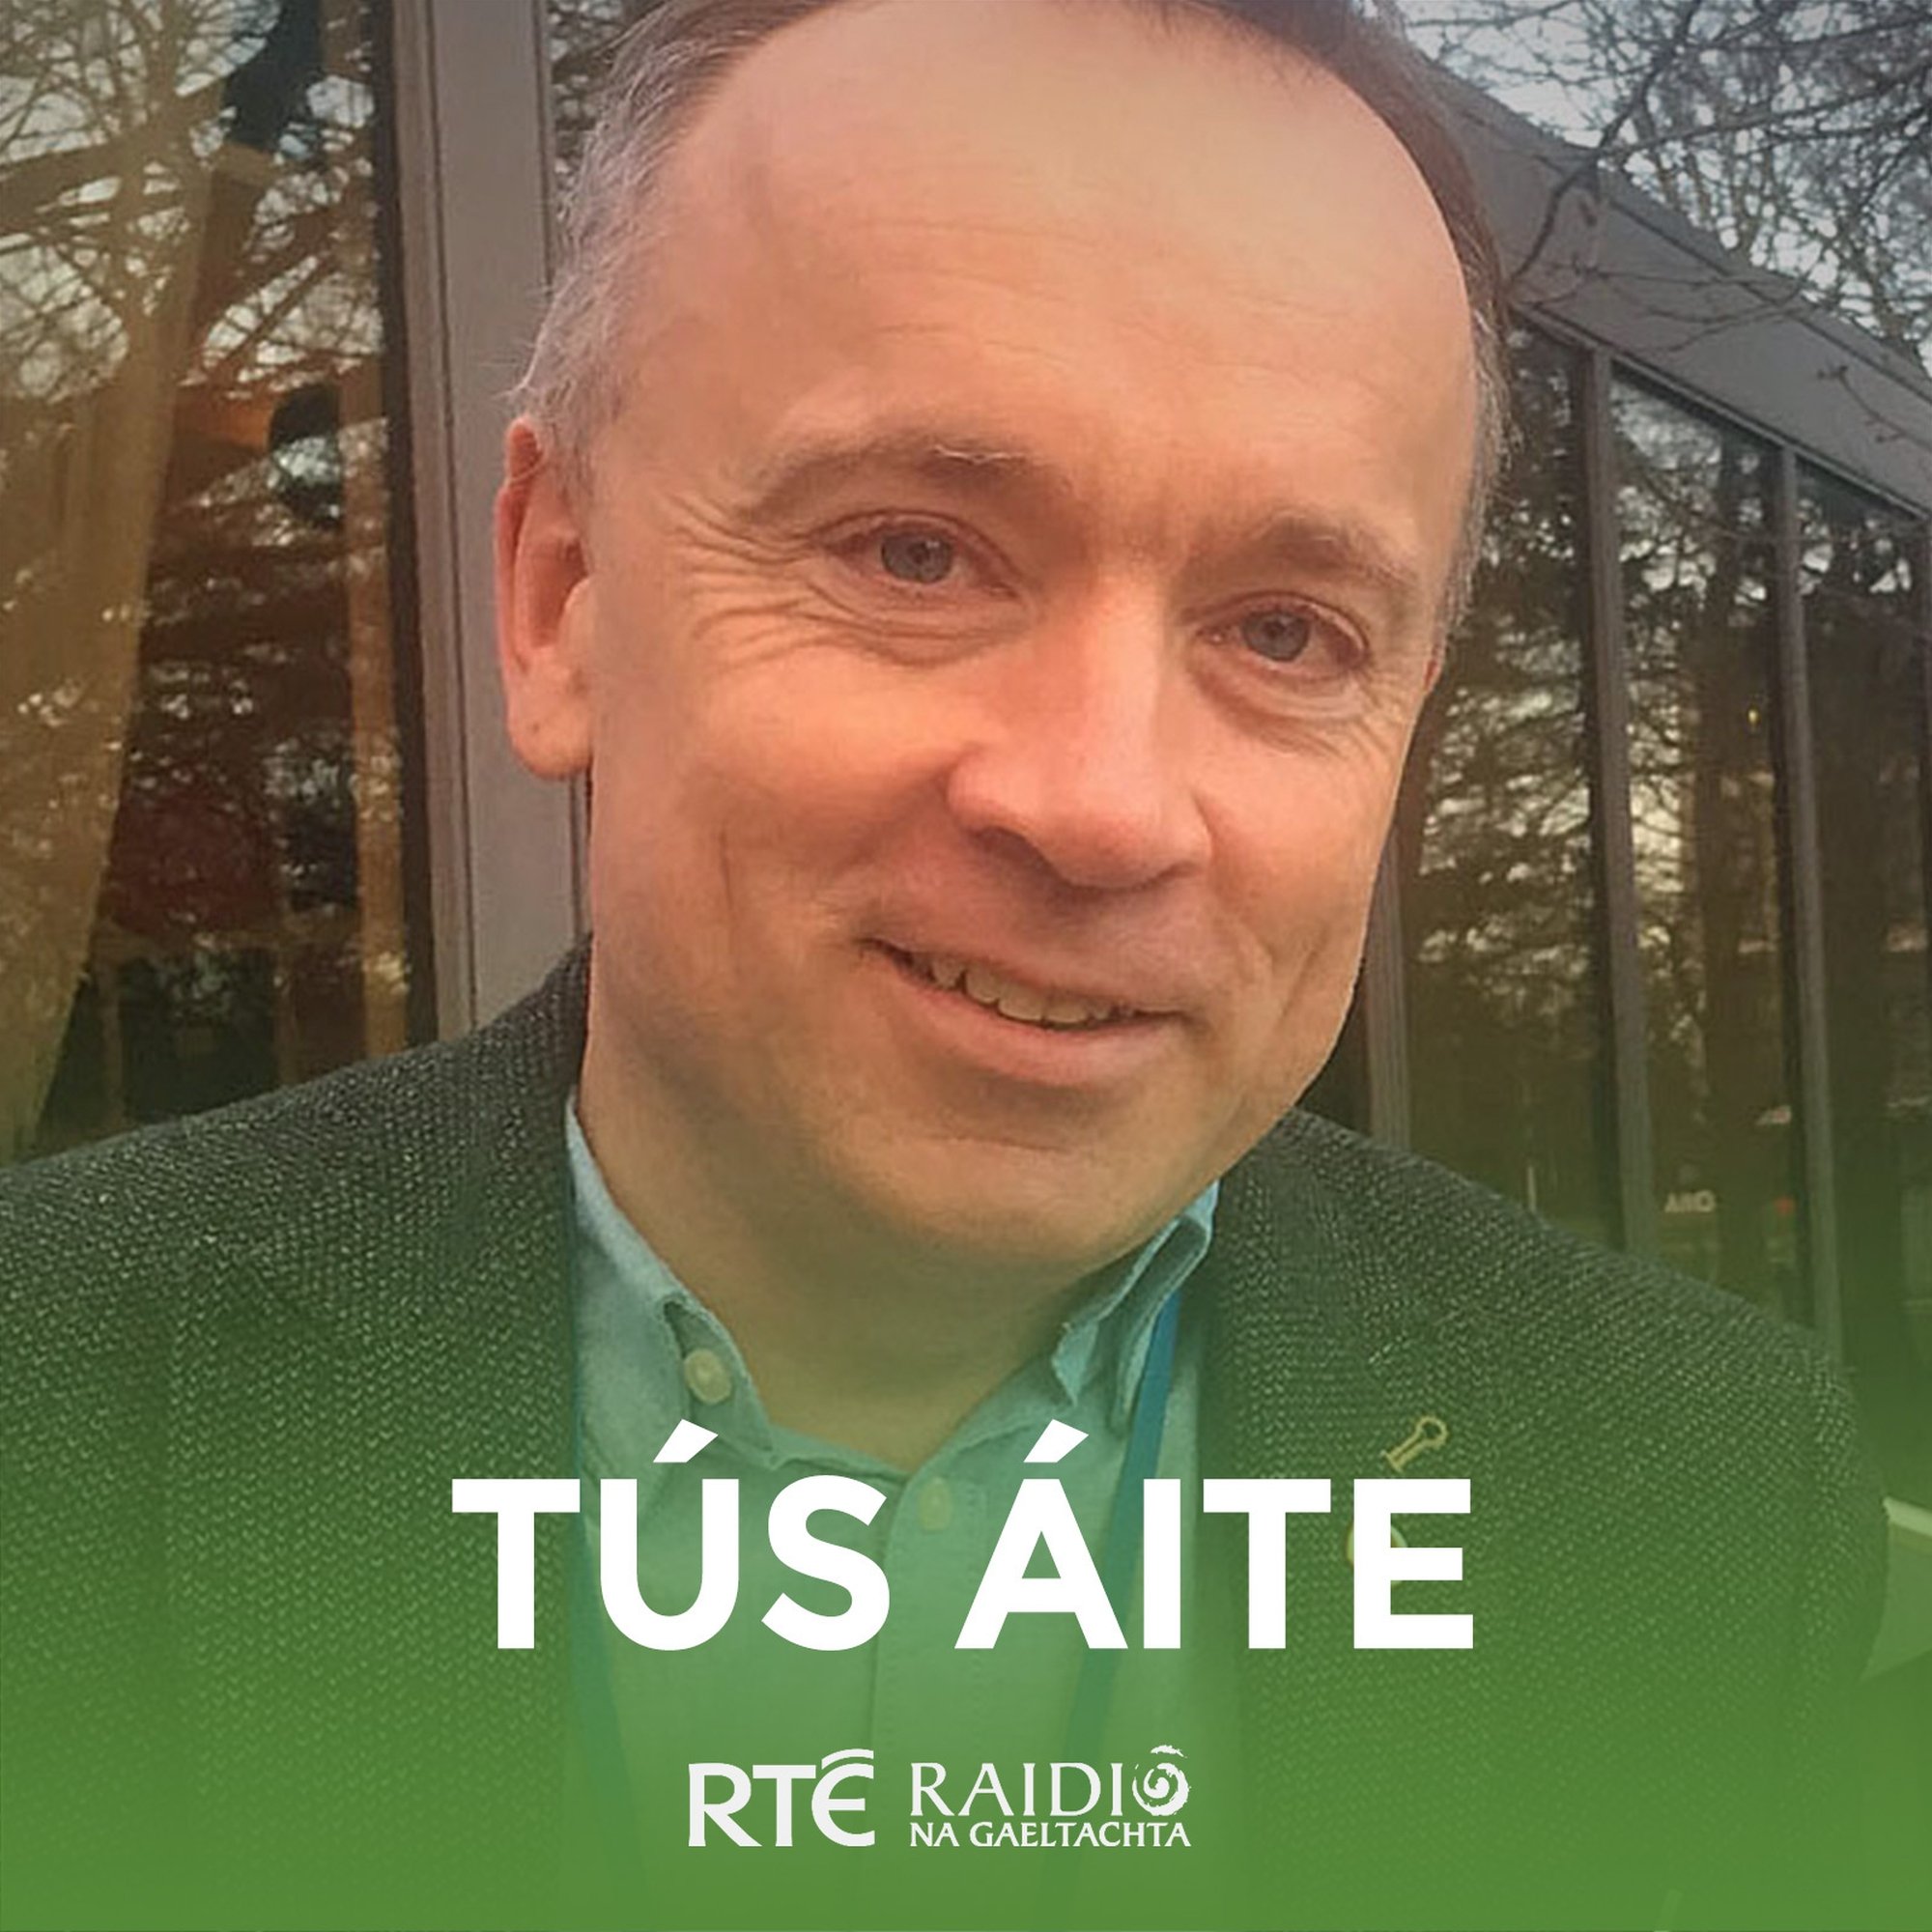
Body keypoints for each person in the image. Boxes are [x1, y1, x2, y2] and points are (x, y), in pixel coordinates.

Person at [1, 2, 1887, 1928]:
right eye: (915, 553)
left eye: (1285, 632)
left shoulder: (1700, 1504)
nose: (1101, 805)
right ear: (561, 594)